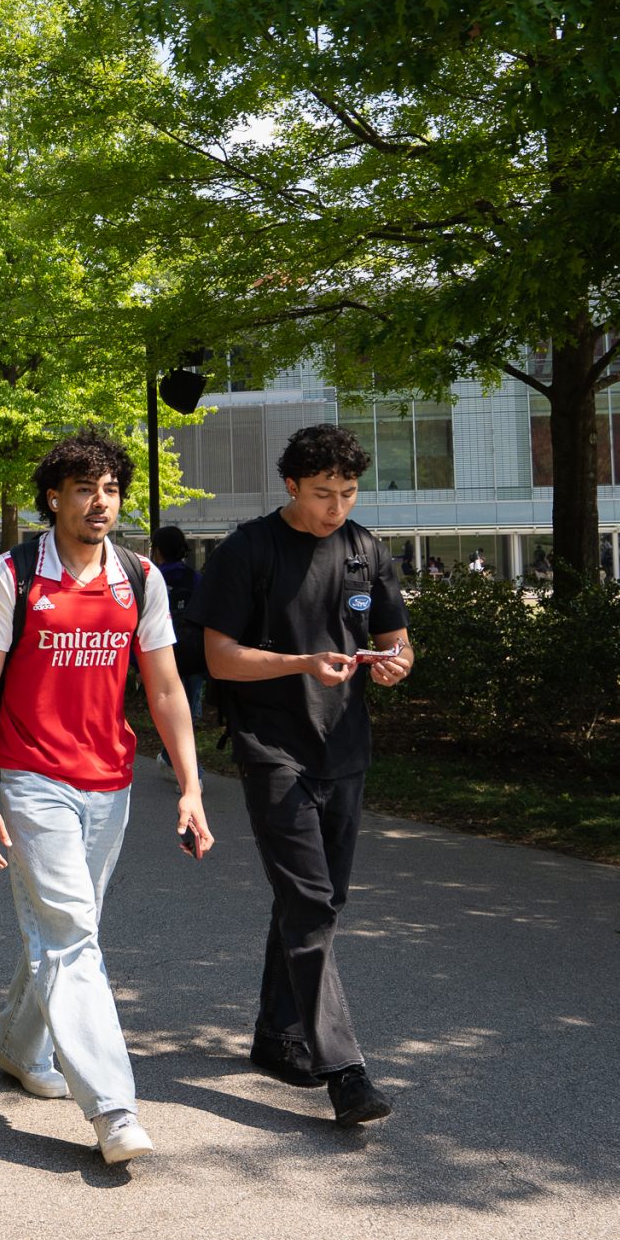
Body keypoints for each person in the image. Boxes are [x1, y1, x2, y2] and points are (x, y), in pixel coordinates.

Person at [0, 431, 214, 1167]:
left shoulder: (139, 577)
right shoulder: (12, 575)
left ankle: (15, 1042)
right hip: (34, 775)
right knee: (73, 933)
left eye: (110, 489)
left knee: (68, 925)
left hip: (112, 779)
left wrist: (191, 783)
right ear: (53, 497)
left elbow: (164, 687)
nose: (99, 502)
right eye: (82, 488)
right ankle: (112, 1107)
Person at [188, 423, 411, 1128]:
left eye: (347, 492)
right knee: (310, 899)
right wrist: (300, 662)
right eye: (323, 493)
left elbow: (394, 641)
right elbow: (219, 658)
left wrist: (400, 663)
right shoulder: (246, 550)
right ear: (292, 485)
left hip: (345, 748)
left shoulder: (366, 550)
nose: (336, 506)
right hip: (272, 747)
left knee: (320, 900)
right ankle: (344, 1068)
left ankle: (275, 1035)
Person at [149, 524, 208, 725]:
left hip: (164, 652)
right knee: (191, 704)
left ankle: (169, 754)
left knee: (170, 707)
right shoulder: (196, 578)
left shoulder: (152, 579)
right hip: (195, 651)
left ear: (157, 550)